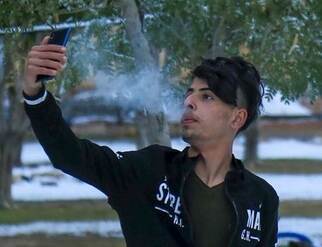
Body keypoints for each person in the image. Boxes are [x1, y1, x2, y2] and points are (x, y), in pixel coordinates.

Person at [23, 36, 279, 246]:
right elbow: (69, 155)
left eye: (207, 97)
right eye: (190, 94)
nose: (189, 102)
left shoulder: (261, 198)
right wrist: (35, 94)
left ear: (237, 118)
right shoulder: (148, 171)